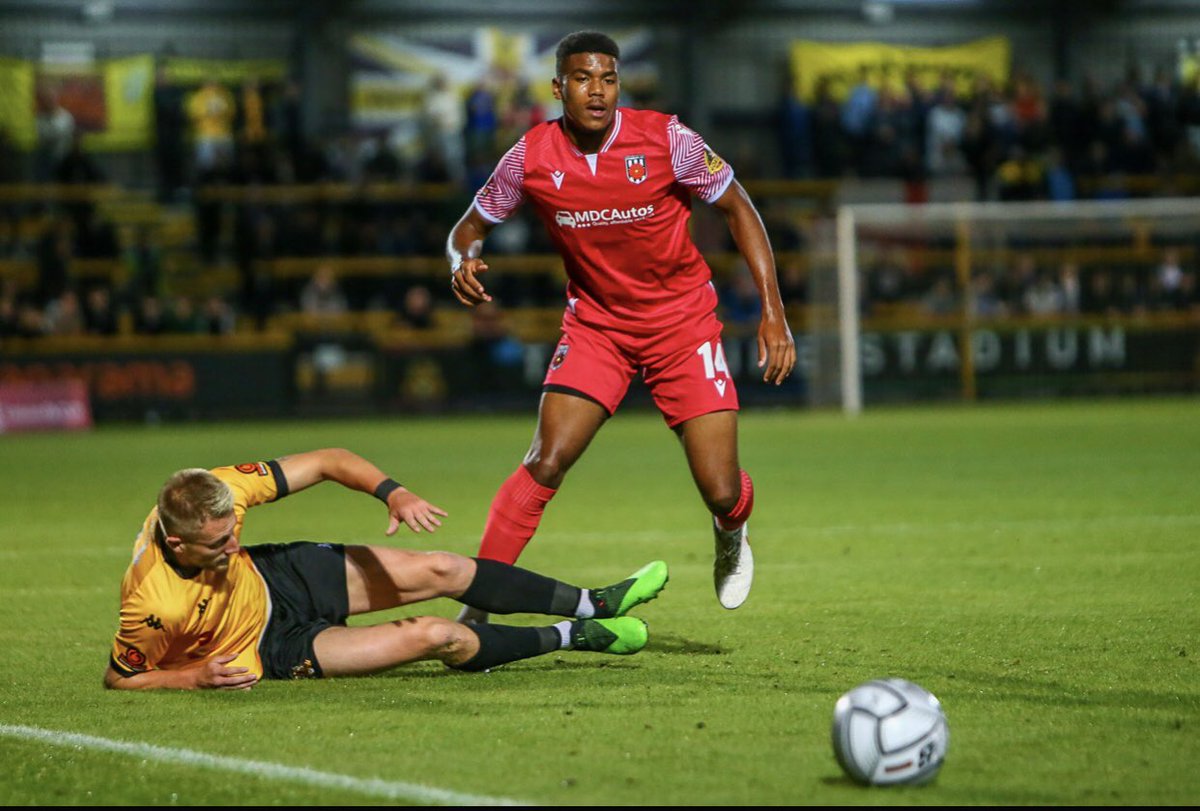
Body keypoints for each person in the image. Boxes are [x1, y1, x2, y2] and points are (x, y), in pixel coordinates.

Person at [444, 31, 795, 618]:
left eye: (608, 78)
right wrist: (461, 261)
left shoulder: (666, 140)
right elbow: (468, 227)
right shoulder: (529, 157)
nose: (597, 91)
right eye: (583, 79)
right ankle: (477, 606)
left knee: (721, 489)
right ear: (558, 87)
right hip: (597, 329)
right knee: (546, 458)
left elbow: (739, 207)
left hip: (682, 326)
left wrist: (773, 311)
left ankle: (731, 530)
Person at [104, 447, 667, 690]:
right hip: (271, 648)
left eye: (233, 533)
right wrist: (193, 677)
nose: (231, 546)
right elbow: (121, 679)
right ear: (176, 543)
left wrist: (391, 493)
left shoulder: (218, 491)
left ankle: (596, 602)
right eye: (216, 545)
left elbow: (329, 461)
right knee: (438, 635)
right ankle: (575, 636)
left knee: (443, 566)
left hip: (282, 576)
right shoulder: (152, 602)